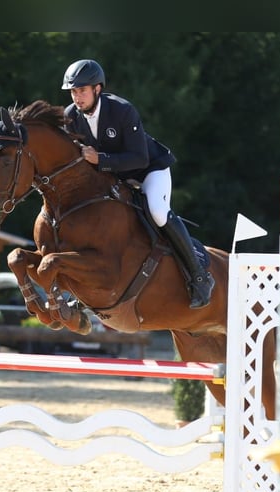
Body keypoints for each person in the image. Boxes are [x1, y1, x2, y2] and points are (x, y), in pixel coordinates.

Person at [61, 58, 214, 309]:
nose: (77, 98)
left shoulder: (122, 110)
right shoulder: (70, 117)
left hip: (149, 170)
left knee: (157, 211)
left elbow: (138, 158)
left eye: (82, 91)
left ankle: (199, 276)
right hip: (114, 179)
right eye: (74, 92)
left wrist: (100, 159)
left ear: (97, 89)